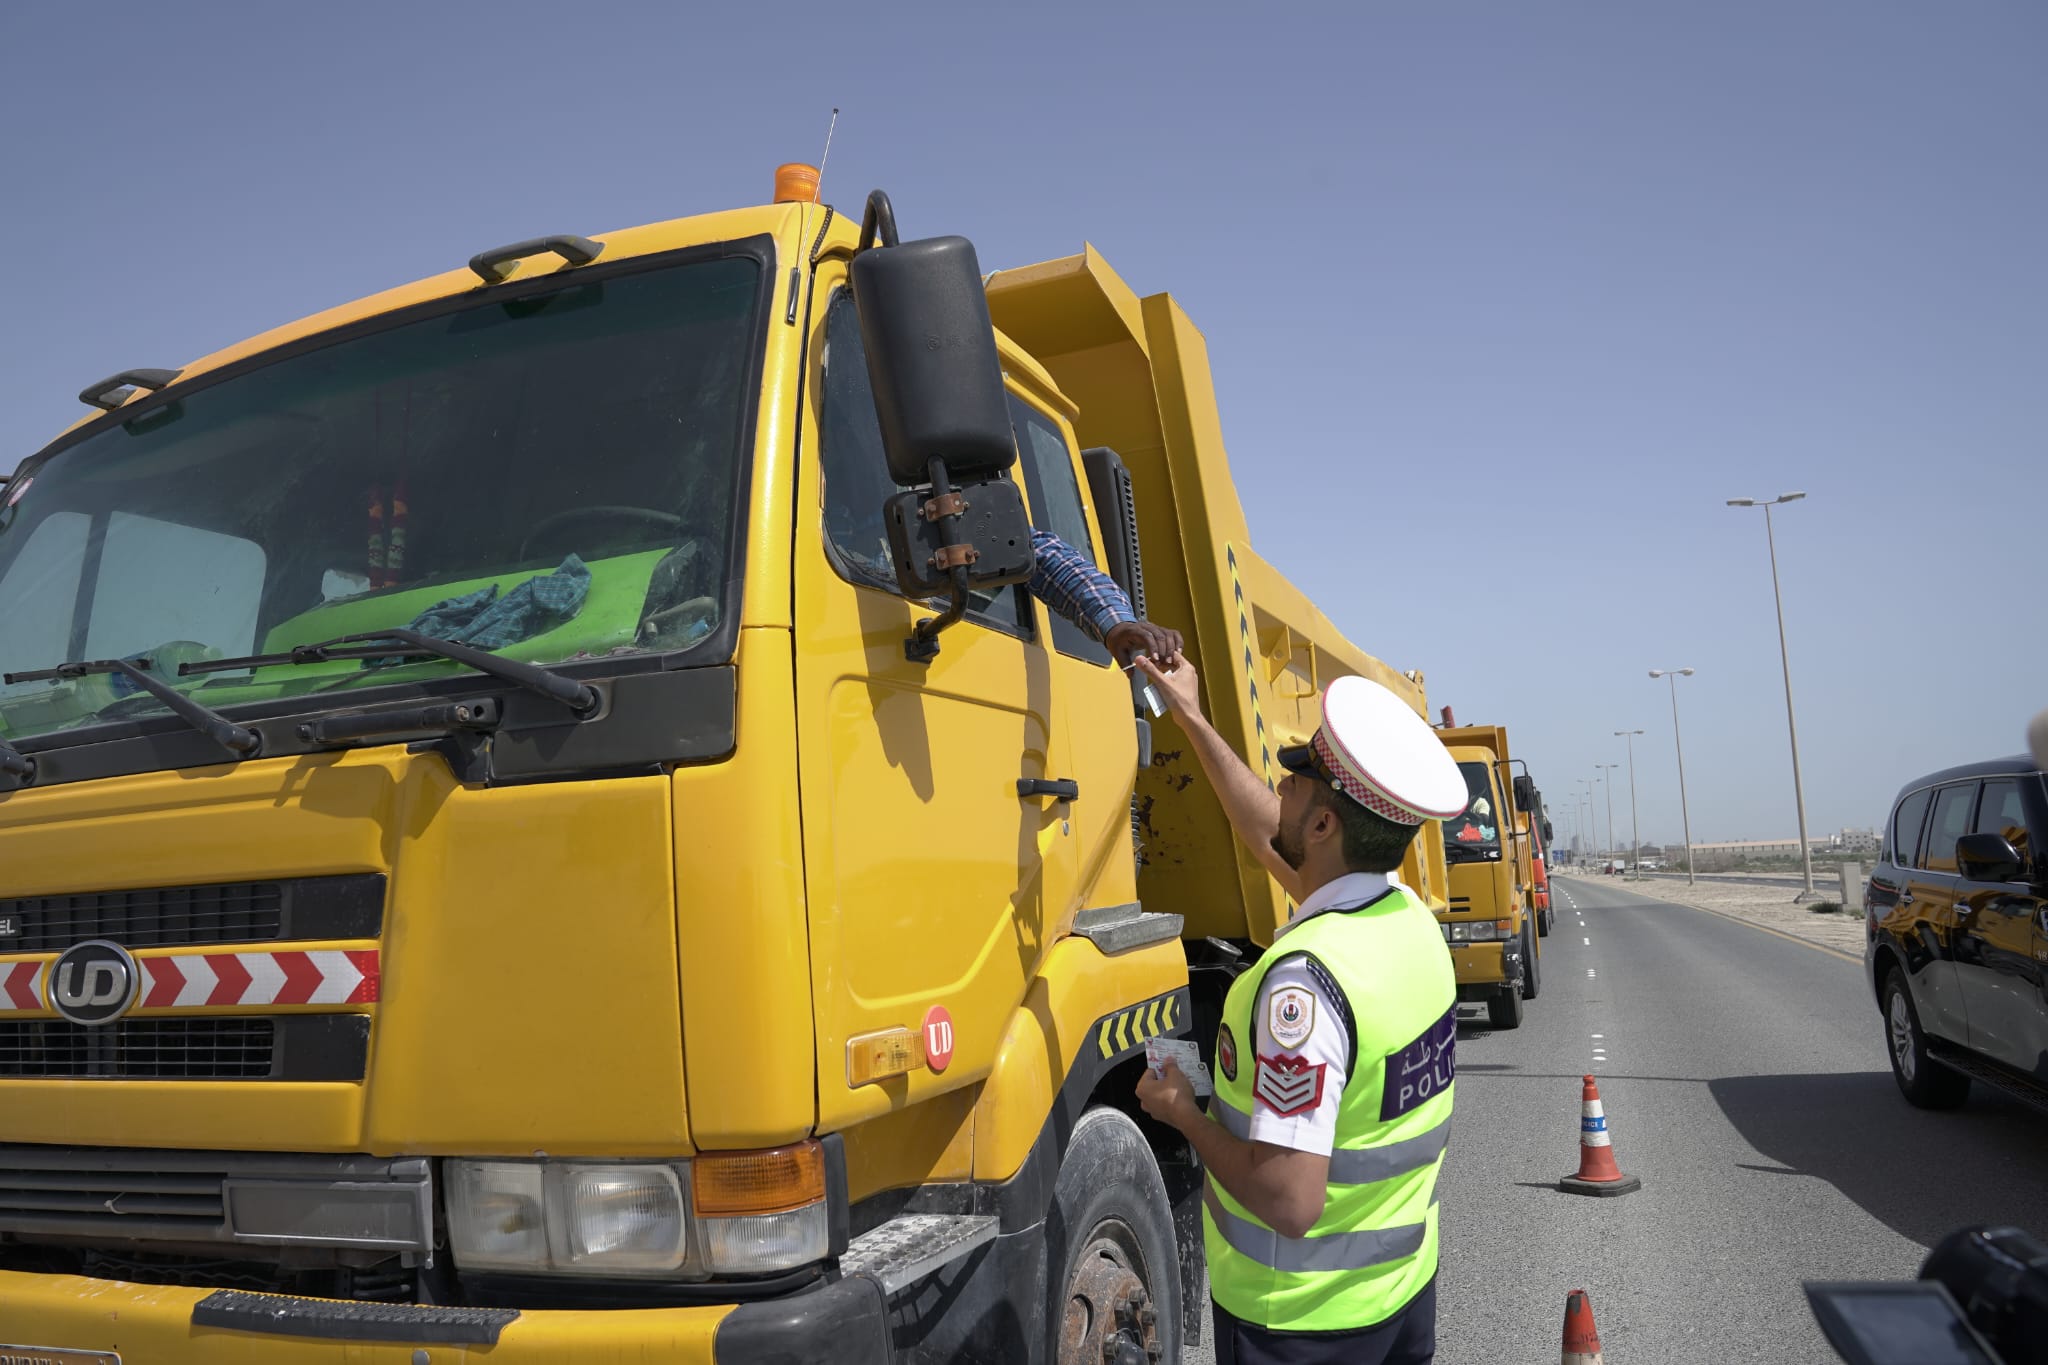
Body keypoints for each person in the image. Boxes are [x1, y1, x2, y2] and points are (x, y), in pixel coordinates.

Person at [1132, 657, 1468, 1365]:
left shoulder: (1305, 990)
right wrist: (1190, 715)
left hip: (1301, 1324)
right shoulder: (1409, 920)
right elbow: (1266, 831)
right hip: (1398, 1297)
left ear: (1321, 825)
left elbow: (1289, 1200)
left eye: (1294, 779)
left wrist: (1182, 1112)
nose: (1277, 784)